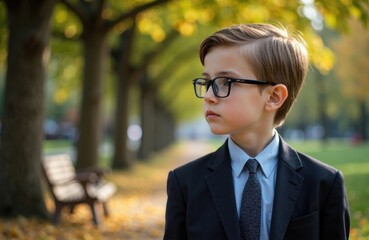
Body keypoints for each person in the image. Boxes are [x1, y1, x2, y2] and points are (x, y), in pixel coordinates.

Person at [163, 23, 350, 240]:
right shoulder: (185, 182)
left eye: (225, 82)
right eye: (207, 82)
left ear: (273, 97)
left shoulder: (323, 183)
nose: (208, 96)